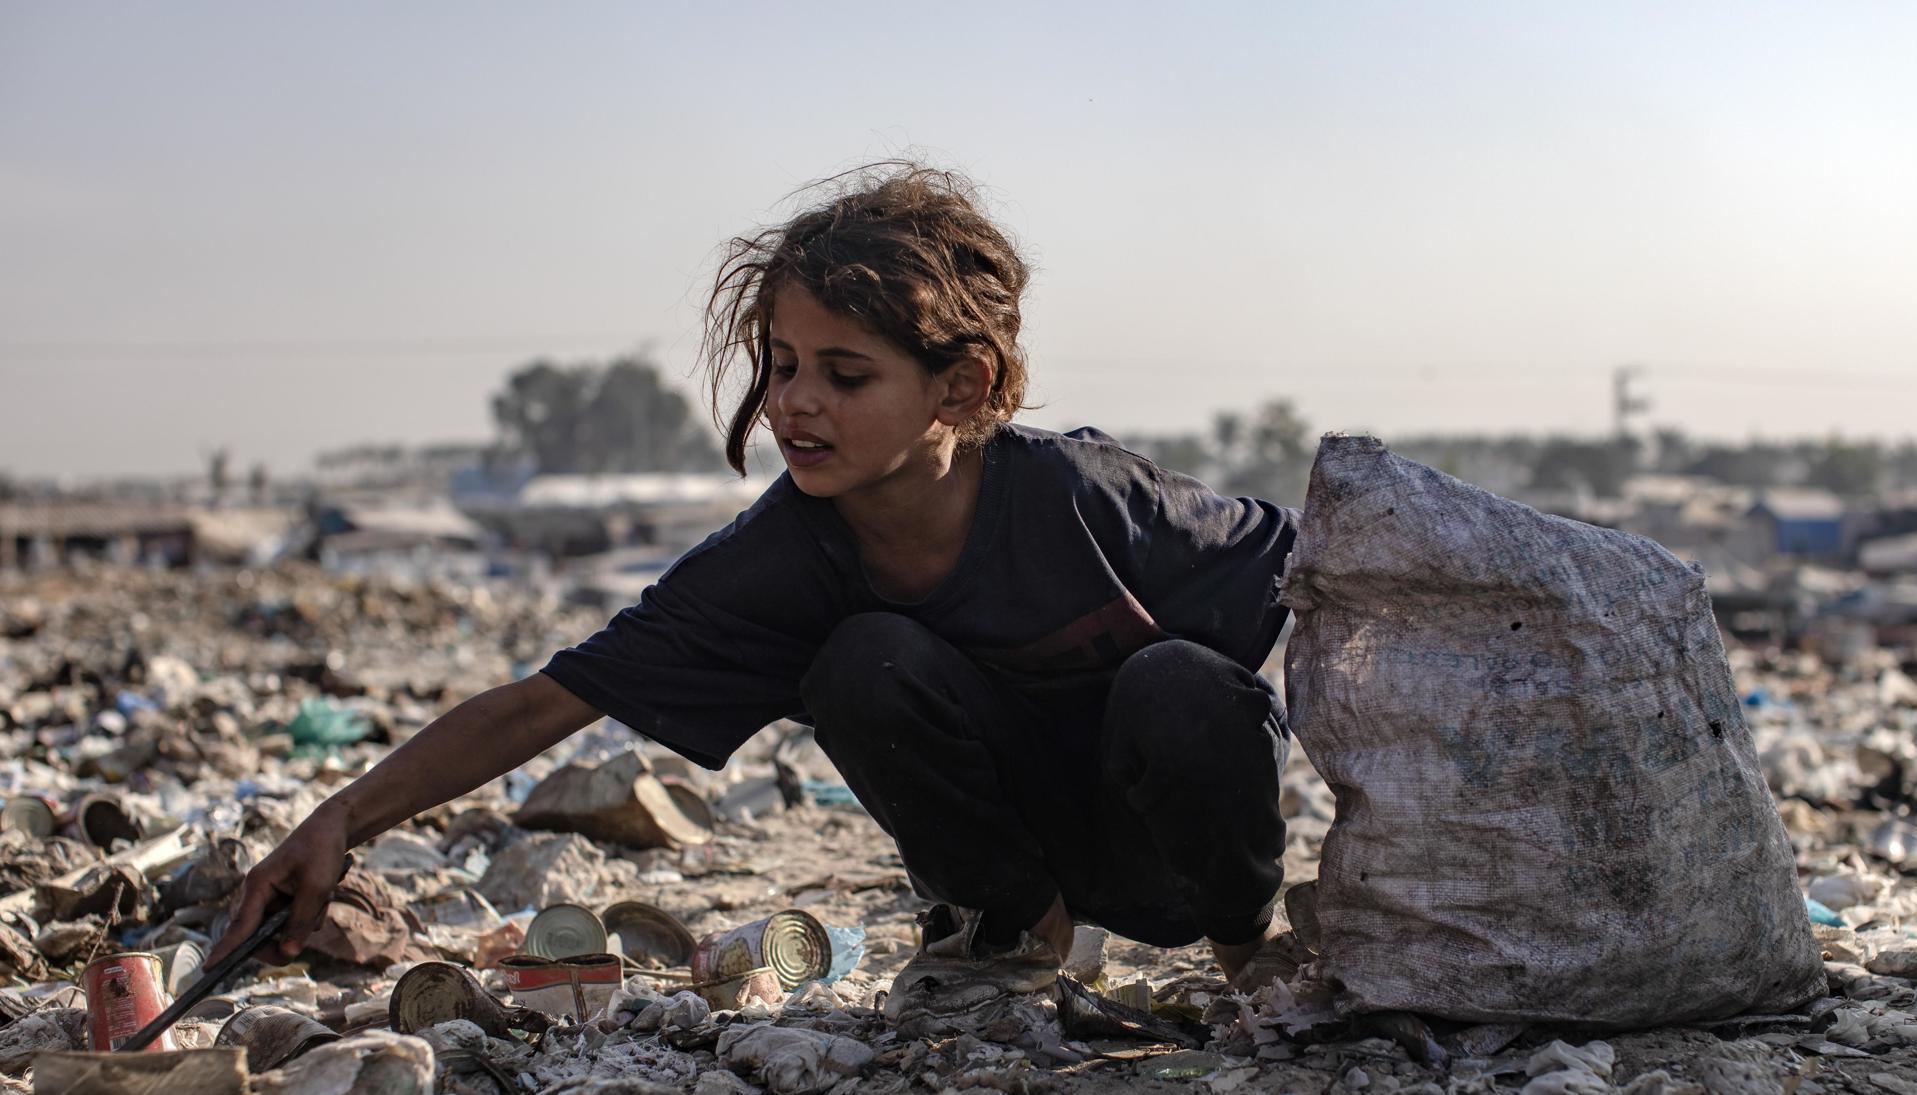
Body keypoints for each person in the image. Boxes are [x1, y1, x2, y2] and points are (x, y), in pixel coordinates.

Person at [212, 164, 1301, 1014]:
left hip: (1178, 855)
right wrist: (338, 820)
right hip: (1027, 853)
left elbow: (1325, 577)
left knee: (1181, 685)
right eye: (780, 364)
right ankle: (1014, 933)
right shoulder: (785, 555)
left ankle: (1251, 949)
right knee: (862, 662)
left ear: (961, 385)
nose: (794, 405)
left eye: (845, 373)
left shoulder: (1083, 497)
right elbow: (549, 701)